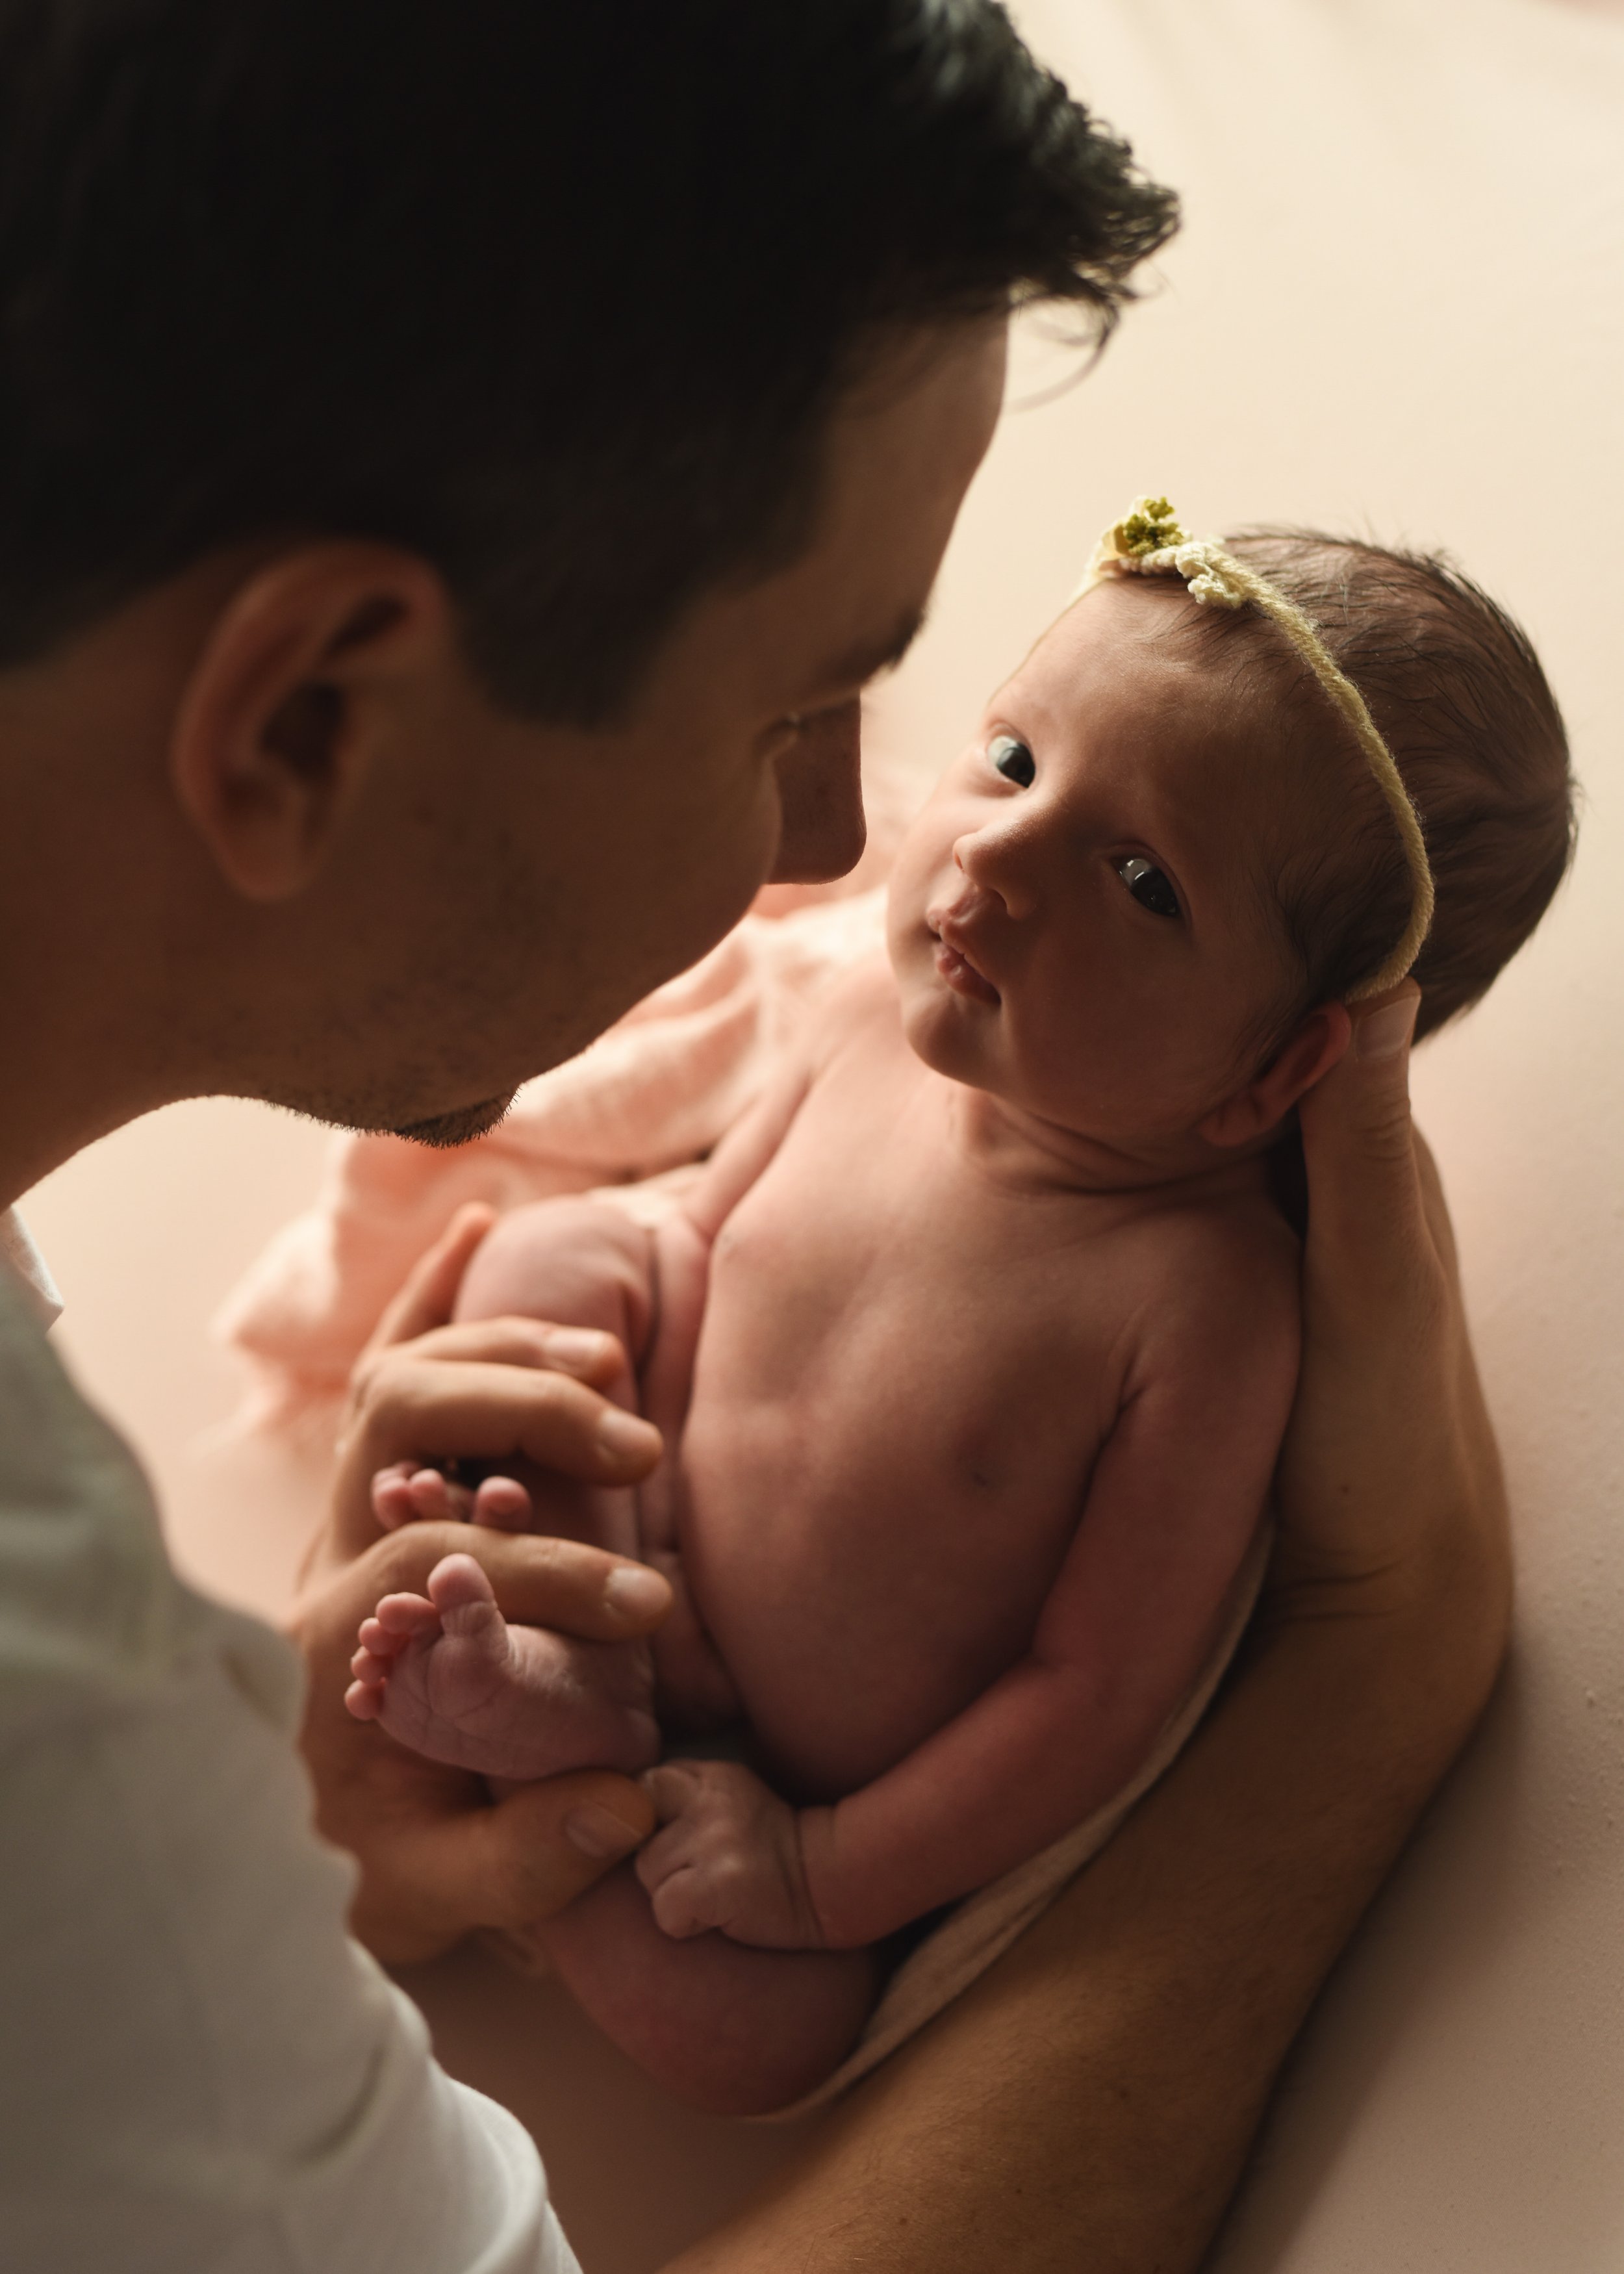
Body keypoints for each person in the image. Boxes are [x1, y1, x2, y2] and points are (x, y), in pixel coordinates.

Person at [0, 5, 1508, 2271]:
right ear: (310, 713)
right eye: (811, 710)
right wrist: (1378, 1661)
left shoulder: (1192, 1303)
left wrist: (268, 1840)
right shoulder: (61, 1765)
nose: (837, 858)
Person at [343, 517, 1567, 2117]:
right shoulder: (859, 1012)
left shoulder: (1203, 1306)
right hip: (628, 1532)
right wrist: (601, 1383)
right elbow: (697, 1234)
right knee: (552, 1258)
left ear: (1280, 1072)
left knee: (760, 2033)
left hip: (788, 1784)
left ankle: (553, 1781)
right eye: (1009, 756)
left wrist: (817, 1867)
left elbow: (1089, 1692)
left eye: (1139, 880)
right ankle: (556, 1683)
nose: (995, 852)